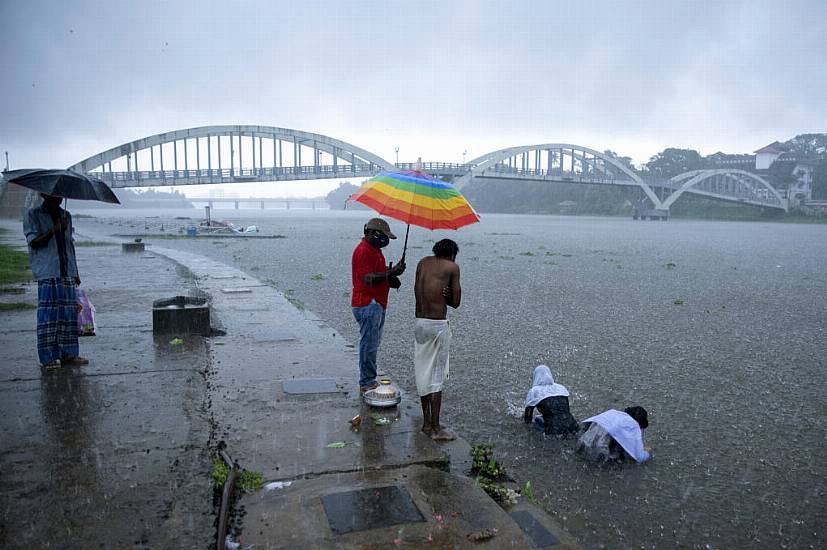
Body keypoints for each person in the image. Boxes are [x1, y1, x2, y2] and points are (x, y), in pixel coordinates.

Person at [23, 193, 88, 369]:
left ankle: (69, 354)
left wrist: (75, 271)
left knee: (68, 316)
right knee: (48, 317)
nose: (59, 197)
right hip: (48, 272)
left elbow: (69, 244)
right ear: (45, 195)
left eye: (61, 194)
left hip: (66, 272)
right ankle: (48, 358)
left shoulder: (66, 215)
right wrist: (54, 229)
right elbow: (33, 242)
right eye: (55, 194)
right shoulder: (33, 215)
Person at [413, 238, 461, 441]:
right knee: (437, 377)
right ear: (452, 254)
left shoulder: (422, 262)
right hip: (437, 326)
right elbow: (456, 303)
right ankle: (436, 427)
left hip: (420, 323)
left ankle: (425, 424)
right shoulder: (452, 267)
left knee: (423, 373)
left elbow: (417, 290)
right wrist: (449, 294)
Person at [351, 218, 405, 393]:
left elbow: (378, 274)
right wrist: (391, 272)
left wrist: (393, 273)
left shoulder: (375, 250)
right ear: (373, 234)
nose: (385, 241)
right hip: (368, 303)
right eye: (383, 236)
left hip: (376, 303)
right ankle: (367, 382)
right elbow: (368, 278)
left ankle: (369, 379)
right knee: (369, 344)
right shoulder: (364, 251)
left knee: (372, 343)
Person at [576, 406, 651, 463]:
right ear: (640, 423)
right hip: (600, 456)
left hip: (580, 445)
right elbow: (639, 457)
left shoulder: (612, 412)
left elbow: (585, 426)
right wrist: (647, 453)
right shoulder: (633, 425)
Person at [523, 365, 579, 437]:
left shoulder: (534, 391)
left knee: (537, 420)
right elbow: (566, 410)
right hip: (573, 425)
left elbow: (528, 417)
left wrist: (527, 429)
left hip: (554, 429)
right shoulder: (561, 388)